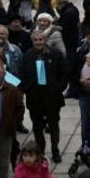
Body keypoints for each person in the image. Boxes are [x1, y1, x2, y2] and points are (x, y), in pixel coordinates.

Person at [20, 30, 67, 163]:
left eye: (41, 39)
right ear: (32, 41)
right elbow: (22, 72)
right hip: (34, 97)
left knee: (53, 125)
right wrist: (26, 88)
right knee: (37, 126)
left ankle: (55, 150)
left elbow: (64, 73)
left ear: (45, 40)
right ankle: (40, 151)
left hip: (52, 96)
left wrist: (59, 88)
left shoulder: (56, 54)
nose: (38, 42)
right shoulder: (28, 55)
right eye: (36, 40)